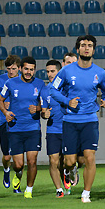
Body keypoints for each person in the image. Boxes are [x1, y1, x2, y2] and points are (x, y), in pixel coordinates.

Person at [50, 35, 105, 203]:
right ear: (78, 49)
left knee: (90, 157)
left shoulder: (100, 72)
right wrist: (67, 101)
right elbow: (53, 90)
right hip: (70, 121)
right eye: (83, 45)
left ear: (93, 49)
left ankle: (86, 193)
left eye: (90, 45)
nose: (86, 48)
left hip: (90, 120)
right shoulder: (66, 71)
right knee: (69, 161)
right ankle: (70, 170)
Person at [0, 57, 44, 199]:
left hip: (33, 128)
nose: (29, 72)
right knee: (18, 164)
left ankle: (29, 190)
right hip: (15, 129)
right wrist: (6, 113)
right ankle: (17, 174)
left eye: (31, 69)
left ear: (34, 70)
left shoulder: (40, 84)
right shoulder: (10, 83)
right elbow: (0, 100)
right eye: (26, 69)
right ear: (21, 69)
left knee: (32, 161)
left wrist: (37, 108)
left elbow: (45, 104)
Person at [0, 55, 21, 191]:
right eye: (9, 69)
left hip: (20, 122)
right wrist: (1, 103)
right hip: (3, 121)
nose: (11, 71)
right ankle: (6, 170)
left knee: (18, 157)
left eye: (14, 69)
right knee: (7, 156)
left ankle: (17, 183)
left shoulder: (24, 81)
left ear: (19, 68)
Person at [40, 59, 66, 197]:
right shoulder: (45, 90)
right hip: (53, 130)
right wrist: (44, 114)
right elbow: (43, 111)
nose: (50, 74)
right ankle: (59, 190)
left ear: (59, 71)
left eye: (52, 71)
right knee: (53, 160)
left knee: (68, 162)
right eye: (48, 72)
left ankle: (68, 173)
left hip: (68, 129)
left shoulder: (67, 88)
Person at [62, 52, 84, 187]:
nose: (71, 65)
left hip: (81, 123)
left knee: (81, 160)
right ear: (63, 64)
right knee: (65, 159)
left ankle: (72, 169)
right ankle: (67, 170)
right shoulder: (58, 82)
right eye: (68, 62)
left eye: (73, 63)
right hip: (64, 124)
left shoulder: (82, 80)